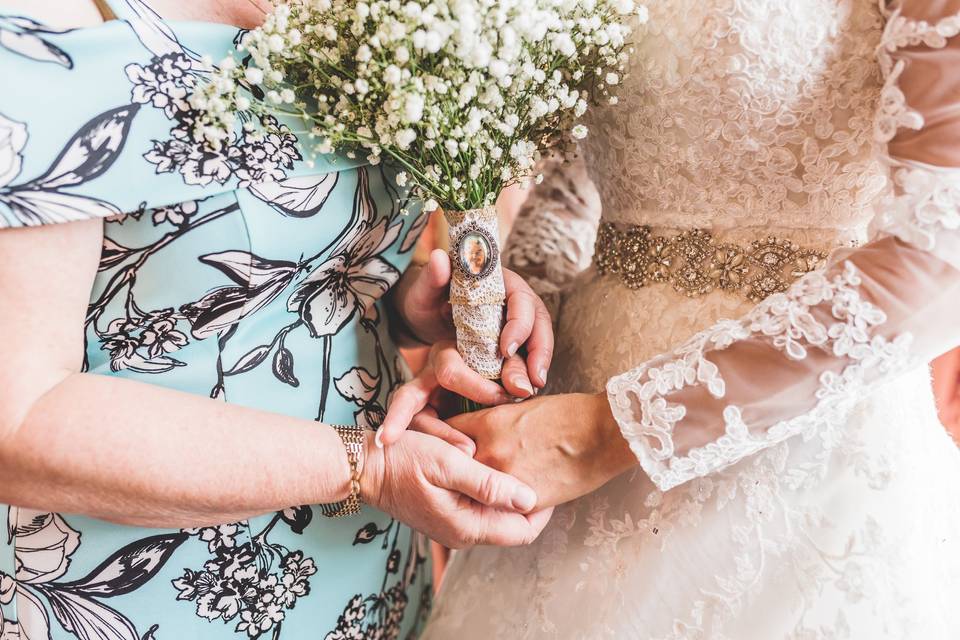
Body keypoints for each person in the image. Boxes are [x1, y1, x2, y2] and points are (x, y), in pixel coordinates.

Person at [383, 0, 960, 637]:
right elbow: (576, 186)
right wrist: (516, 325)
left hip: (797, 452)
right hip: (562, 415)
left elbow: (939, 261)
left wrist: (609, 431)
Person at [0, 1, 556, 639]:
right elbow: (18, 420)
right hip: (148, 584)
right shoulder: (53, 22)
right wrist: (367, 469)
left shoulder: (365, 15)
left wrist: (407, 308)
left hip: (364, 567)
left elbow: (300, 285)